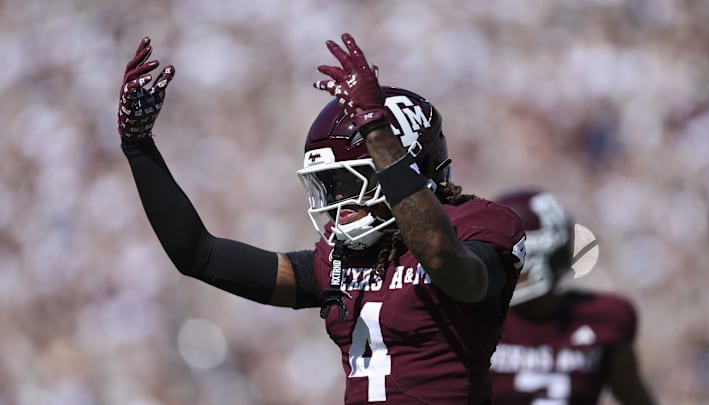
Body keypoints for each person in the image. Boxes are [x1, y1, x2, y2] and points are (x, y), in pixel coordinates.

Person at [116, 33, 526, 404]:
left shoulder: (481, 225)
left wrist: (375, 130)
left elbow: (443, 260)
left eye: (354, 180)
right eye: (331, 185)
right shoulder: (339, 258)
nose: (339, 200)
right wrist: (138, 147)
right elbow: (199, 255)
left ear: (405, 164)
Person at [488, 189, 656, 405]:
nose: (510, 269)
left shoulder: (604, 320)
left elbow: (632, 393)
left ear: (552, 255)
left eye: (520, 259)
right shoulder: (474, 321)